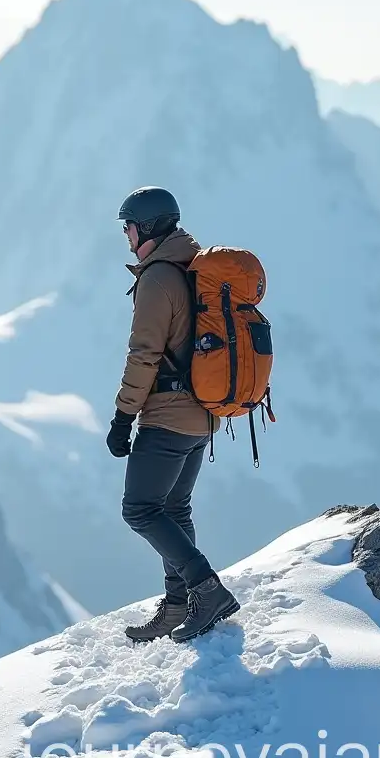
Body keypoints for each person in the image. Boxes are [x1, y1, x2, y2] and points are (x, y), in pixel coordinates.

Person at [107, 186, 240, 643]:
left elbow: (143, 355)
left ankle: (206, 589)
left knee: (140, 509)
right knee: (173, 508)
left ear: (145, 227)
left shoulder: (158, 278)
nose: (125, 235)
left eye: (128, 226)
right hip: (202, 415)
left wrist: (123, 418)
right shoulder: (193, 266)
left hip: (167, 414)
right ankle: (179, 604)